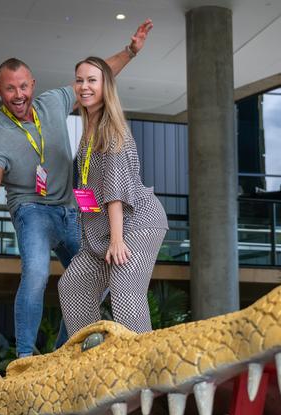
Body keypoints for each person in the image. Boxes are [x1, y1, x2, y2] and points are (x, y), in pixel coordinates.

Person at [0, 20, 153, 358]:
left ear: (32, 84)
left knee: (94, 276)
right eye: (9, 89)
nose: (18, 95)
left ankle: (63, 348)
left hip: (72, 209)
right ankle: (26, 356)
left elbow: (95, 80)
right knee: (36, 273)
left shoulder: (52, 101)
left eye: (23, 86)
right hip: (32, 211)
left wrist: (130, 51)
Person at [57, 56, 168, 336]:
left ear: (106, 86)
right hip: (102, 231)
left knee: (124, 290)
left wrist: (117, 240)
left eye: (92, 80)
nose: (84, 86)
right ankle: (91, 359)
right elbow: (89, 195)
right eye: (80, 80)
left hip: (137, 223)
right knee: (73, 284)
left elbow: (114, 190)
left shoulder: (111, 130)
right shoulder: (88, 131)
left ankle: (140, 369)